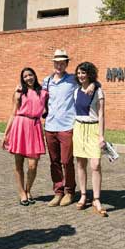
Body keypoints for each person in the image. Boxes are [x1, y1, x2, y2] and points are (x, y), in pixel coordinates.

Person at [43, 49, 96, 207]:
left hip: (67, 126)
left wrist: (93, 84)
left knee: (66, 161)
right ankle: (58, 192)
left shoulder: (73, 79)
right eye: (56, 62)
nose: (59, 65)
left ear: (66, 64)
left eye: (62, 62)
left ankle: (69, 192)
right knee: (54, 162)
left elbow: (90, 80)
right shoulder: (47, 81)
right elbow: (37, 94)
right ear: (53, 63)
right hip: (50, 126)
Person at [2, 68, 48, 206]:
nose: (28, 78)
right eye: (25, 76)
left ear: (35, 75)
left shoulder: (44, 93)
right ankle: (22, 193)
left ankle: (28, 190)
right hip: (20, 126)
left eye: (30, 75)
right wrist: (6, 134)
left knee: (33, 165)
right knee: (19, 163)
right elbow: (12, 113)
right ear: (23, 78)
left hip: (35, 127)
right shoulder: (19, 93)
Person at [73, 61, 108, 217]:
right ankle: (83, 195)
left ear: (89, 74)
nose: (81, 75)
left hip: (93, 129)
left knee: (95, 164)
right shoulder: (76, 91)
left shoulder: (98, 91)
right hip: (79, 128)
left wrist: (101, 136)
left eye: (84, 73)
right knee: (80, 163)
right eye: (79, 73)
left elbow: (101, 115)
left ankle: (96, 198)